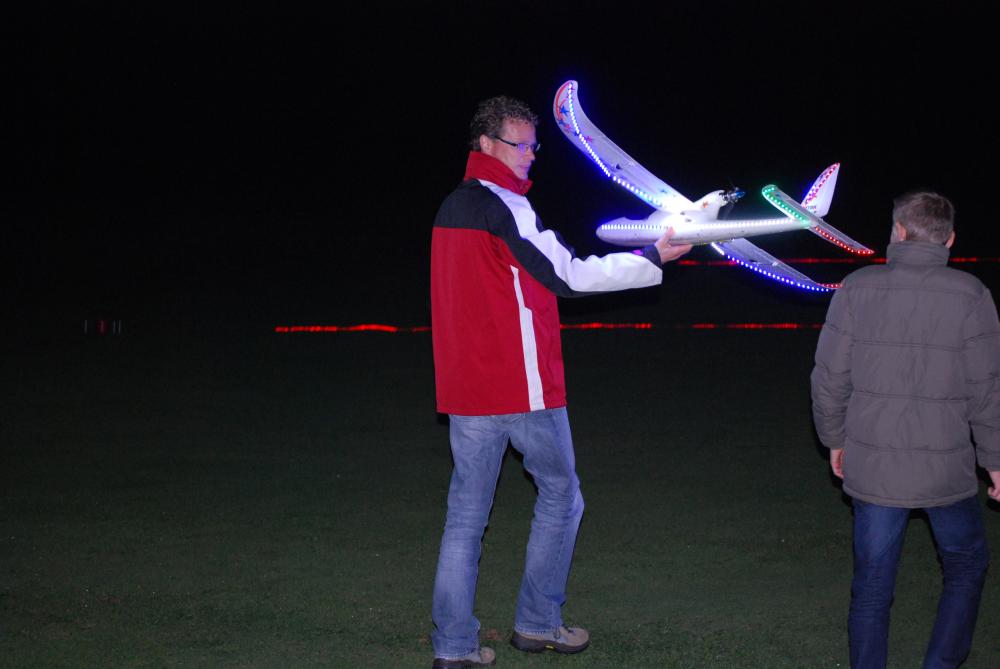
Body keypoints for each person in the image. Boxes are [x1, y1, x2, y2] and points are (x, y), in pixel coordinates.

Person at [428, 94, 691, 669]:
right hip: (520, 388)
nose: (530, 155)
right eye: (519, 145)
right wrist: (652, 257)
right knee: (561, 496)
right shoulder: (504, 206)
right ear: (486, 144)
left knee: (465, 519)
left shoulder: (451, 206)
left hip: (466, 390)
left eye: (534, 145)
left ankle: (453, 647)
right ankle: (538, 622)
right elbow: (568, 275)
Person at [811, 191, 1000, 669]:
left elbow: (829, 377)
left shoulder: (857, 286)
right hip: (946, 467)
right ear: (949, 239)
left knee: (873, 585)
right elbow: (987, 388)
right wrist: (995, 460)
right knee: (966, 565)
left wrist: (834, 438)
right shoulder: (972, 294)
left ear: (898, 231)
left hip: (876, 463)